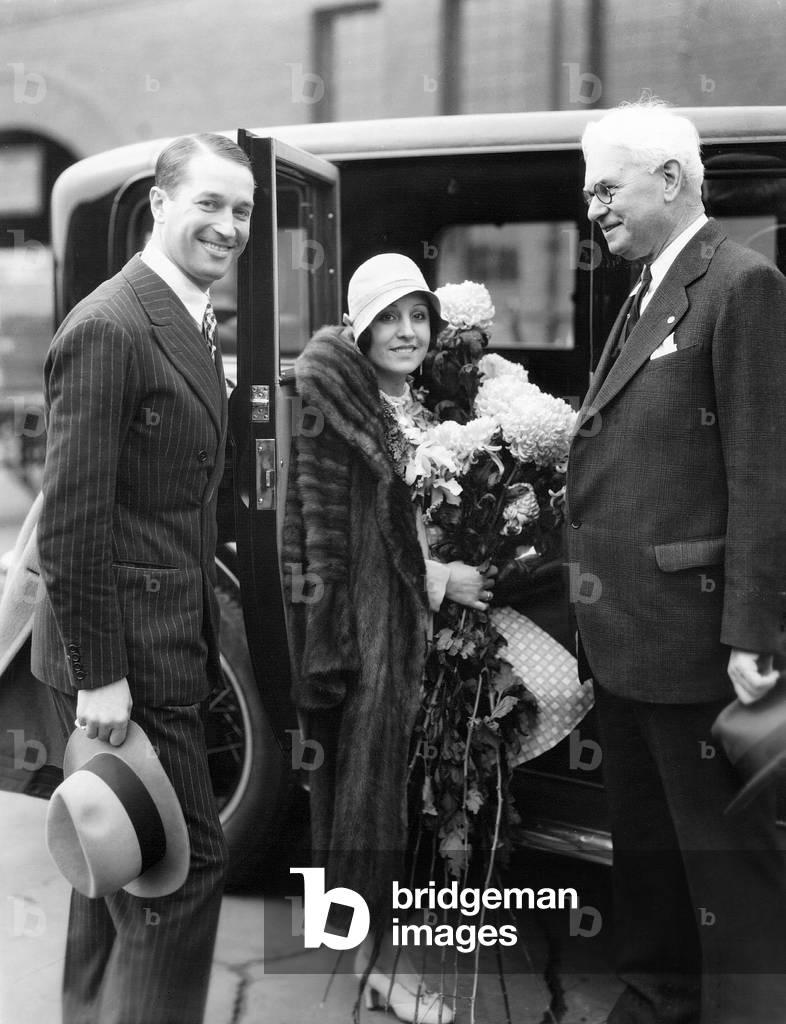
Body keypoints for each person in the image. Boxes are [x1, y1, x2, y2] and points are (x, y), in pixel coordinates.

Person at [566, 99, 786, 1023]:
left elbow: (764, 467)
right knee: (649, 848)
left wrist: (751, 627)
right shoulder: (651, 285)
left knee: (721, 868)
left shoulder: (740, 285)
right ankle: (658, 994)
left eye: (607, 187)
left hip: (697, 638)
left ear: (671, 178)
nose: (594, 208)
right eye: (588, 192)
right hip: (627, 634)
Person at [30, 133, 255, 1024]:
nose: (228, 226)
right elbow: (70, 522)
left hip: (153, 644)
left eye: (241, 210)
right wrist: (103, 677)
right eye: (208, 203)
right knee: (183, 873)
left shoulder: (187, 315)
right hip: (123, 660)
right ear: (158, 205)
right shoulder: (111, 326)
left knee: (115, 863)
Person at [283, 253, 498, 1024]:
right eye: (389, 317)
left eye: (418, 316)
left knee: (421, 797)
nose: (406, 332)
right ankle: (371, 967)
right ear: (359, 326)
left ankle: (397, 956)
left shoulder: (421, 406)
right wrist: (443, 579)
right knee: (367, 796)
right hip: (373, 629)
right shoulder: (339, 406)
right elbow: (331, 538)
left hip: (427, 629)